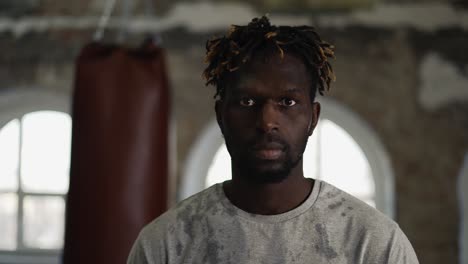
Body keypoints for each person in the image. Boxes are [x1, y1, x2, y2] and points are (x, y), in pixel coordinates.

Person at [127, 16, 419, 264]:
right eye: (247, 101)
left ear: (313, 117)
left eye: (288, 102)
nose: (267, 122)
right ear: (220, 114)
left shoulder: (373, 243)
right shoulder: (165, 244)